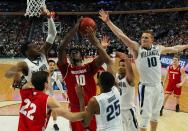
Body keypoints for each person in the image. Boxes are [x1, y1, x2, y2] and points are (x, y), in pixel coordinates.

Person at [99, 9, 188, 131]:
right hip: (146, 88)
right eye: (142, 37)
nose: (143, 39)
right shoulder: (137, 49)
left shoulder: (158, 48)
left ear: (152, 40)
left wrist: (186, 45)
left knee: (156, 116)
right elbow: (121, 36)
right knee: (144, 119)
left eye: (146, 37)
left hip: (158, 86)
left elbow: (174, 48)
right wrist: (108, 22)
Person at [57, 20, 111, 131]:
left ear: (82, 57)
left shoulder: (89, 68)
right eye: (71, 52)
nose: (73, 52)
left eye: (76, 51)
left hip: (91, 107)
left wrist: (102, 48)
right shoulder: (66, 69)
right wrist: (73, 31)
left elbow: (104, 59)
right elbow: (62, 48)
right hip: (75, 110)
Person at [5, 7, 57, 89]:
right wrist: (16, 74)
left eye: (37, 45)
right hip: (33, 95)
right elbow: (8, 73)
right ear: (27, 52)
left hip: (46, 92)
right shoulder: (24, 64)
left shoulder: (42, 53)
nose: (38, 47)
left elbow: (52, 34)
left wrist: (49, 18)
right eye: (34, 47)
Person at [55, 71, 123, 131]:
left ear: (98, 83)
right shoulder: (116, 91)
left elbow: (85, 124)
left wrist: (81, 98)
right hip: (119, 128)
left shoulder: (95, 101)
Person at [116, 52, 139, 131]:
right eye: (120, 65)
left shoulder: (129, 79)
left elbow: (130, 71)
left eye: (123, 66)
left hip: (129, 110)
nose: (121, 67)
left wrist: (126, 59)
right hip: (119, 110)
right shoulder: (116, 76)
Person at [48, 59, 68, 130]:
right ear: (47, 66)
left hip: (51, 95)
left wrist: (62, 92)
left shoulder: (55, 74)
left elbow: (58, 83)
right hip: (43, 95)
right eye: (50, 65)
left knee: (54, 109)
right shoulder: (43, 73)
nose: (52, 66)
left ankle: (54, 123)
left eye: (53, 65)